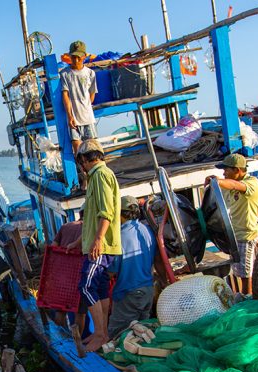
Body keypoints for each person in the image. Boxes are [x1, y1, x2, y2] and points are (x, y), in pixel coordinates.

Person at [68, 139, 121, 352]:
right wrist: (79, 242)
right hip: (98, 243)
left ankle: (100, 333)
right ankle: (103, 333)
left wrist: (98, 240)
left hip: (102, 245)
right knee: (98, 287)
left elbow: (106, 212)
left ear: (83, 160)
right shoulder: (98, 177)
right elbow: (91, 219)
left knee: (86, 286)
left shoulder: (100, 176)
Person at [207, 153, 258, 296]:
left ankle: (247, 301)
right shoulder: (228, 187)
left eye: (226, 170)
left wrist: (217, 182)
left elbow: (236, 185)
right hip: (234, 236)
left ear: (237, 170)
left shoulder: (252, 183)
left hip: (246, 235)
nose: (224, 173)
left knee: (245, 274)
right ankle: (243, 298)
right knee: (238, 271)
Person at [107, 196, 155, 338]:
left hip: (129, 294)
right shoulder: (147, 230)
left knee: (118, 335)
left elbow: (111, 271)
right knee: (144, 335)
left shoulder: (119, 237)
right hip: (148, 290)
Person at [61, 40, 98, 154]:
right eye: (73, 57)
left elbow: (92, 95)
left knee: (92, 149)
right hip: (74, 119)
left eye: (79, 57)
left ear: (84, 57)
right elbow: (65, 96)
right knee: (77, 149)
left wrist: (85, 107)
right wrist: (70, 116)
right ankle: (82, 172)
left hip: (88, 117)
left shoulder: (90, 73)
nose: (76, 60)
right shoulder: (65, 74)